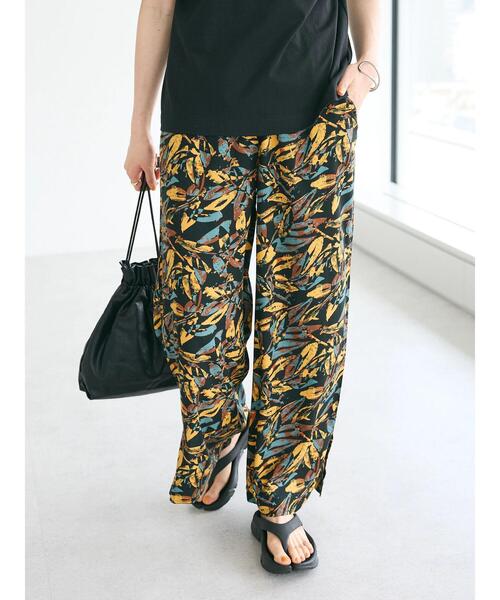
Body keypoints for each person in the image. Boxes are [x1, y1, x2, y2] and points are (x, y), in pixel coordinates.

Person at [124, 0, 380, 574]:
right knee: (196, 316)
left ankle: (280, 499)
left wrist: (367, 63)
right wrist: (139, 126)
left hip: (315, 119)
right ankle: (219, 436)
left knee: (305, 321)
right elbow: (158, 6)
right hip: (200, 123)